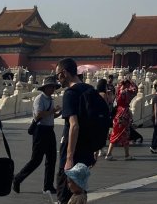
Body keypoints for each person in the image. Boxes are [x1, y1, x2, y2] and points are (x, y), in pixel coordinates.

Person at [55, 58, 99, 204]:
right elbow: (96, 121)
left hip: (73, 153)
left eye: (58, 75)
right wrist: (96, 147)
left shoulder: (70, 93)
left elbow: (74, 125)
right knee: (80, 194)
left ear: (64, 73)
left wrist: (69, 158)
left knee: (65, 195)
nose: (58, 80)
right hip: (87, 152)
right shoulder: (90, 90)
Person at [14, 75, 59, 196]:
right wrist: (52, 112)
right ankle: (18, 178)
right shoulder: (40, 99)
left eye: (54, 87)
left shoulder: (50, 99)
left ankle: (48, 186)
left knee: (52, 159)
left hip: (49, 130)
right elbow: (38, 115)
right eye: (51, 87)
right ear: (45, 88)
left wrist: (57, 114)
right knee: (36, 160)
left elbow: (49, 116)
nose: (53, 89)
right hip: (40, 131)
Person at [104, 75, 138, 161]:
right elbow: (135, 90)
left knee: (117, 133)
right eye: (128, 84)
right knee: (124, 134)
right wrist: (132, 82)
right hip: (124, 114)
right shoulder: (126, 92)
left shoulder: (118, 90)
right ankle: (120, 155)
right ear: (127, 84)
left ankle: (113, 154)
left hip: (118, 113)